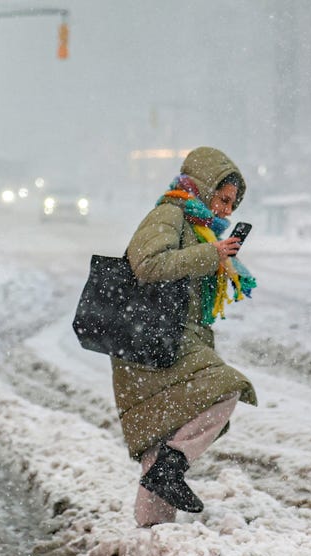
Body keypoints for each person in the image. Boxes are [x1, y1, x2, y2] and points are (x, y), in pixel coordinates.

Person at [112, 146, 258, 527]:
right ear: (205, 186)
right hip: (152, 340)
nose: (227, 210)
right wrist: (211, 254)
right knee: (227, 387)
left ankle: (152, 536)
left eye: (232, 204)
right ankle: (173, 464)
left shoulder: (198, 228)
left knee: (161, 432)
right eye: (223, 199)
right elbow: (147, 265)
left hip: (165, 341)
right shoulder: (169, 214)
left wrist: (219, 257)